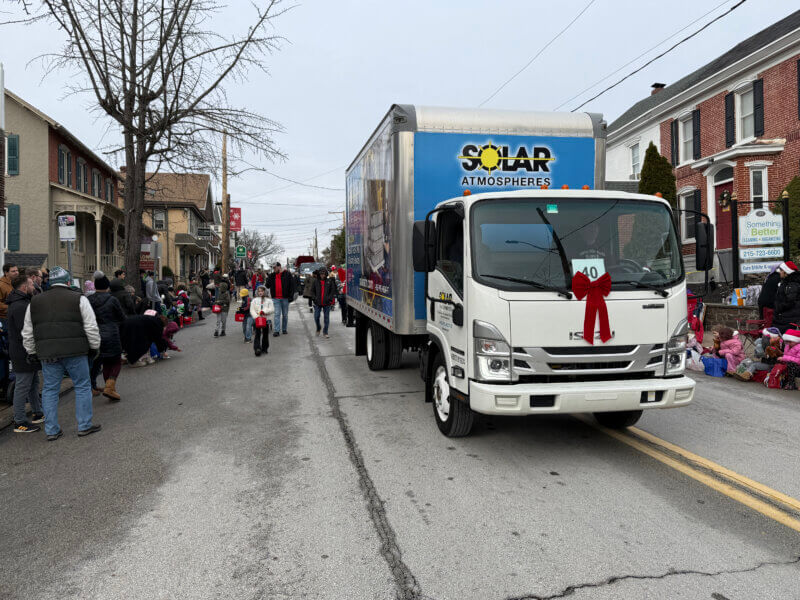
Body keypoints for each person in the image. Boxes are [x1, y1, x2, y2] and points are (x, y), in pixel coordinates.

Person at [22, 266, 101, 440]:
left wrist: (32, 351)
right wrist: (94, 347)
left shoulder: (34, 302)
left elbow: (28, 331)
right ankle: (84, 425)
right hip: (76, 351)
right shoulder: (78, 299)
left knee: (50, 390)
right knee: (82, 386)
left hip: (48, 354)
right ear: (68, 282)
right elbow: (91, 326)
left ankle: (52, 430)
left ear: (50, 282)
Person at [7, 275, 43, 433]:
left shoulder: (21, 303)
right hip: (23, 352)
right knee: (22, 385)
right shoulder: (21, 306)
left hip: (25, 350)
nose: (34, 287)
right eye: (31, 284)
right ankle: (20, 421)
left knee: (33, 383)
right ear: (24, 287)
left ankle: (38, 412)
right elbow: (26, 331)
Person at [88, 276, 125, 401]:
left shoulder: (89, 300)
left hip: (95, 334)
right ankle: (110, 386)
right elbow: (121, 317)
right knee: (115, 361)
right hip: (111, 333)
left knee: (104, 362)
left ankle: (110, 389)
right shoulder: (112, 300)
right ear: (107, 286)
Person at [772, 261, 800, 333]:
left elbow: (790, 301)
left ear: (786, 272)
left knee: (782, 341)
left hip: (788, 319)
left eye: (781, 270)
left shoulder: (792, 284)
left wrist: (779, 308)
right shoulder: (785, 282)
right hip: (783, 318)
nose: (779, 272)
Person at [267, 262, 294, 336]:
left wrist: (291, 296)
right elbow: (267, 285)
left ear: (279, 267)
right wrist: (269, 277)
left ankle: (284, 329)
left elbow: (292, 286)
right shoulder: (272, 275)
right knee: (277, 314)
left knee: (285, 315)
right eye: (273, 268)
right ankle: (277, 330)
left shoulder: (287, 274)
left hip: (285, 298)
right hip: (276, 298)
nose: (274, 269)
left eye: (275, 267)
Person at [312, 267, 338, 338]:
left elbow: (332, 291)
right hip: (318, 303)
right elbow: (312, 291)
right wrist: (314, 299)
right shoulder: (315, 281)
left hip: (327, 303)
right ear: (319, 274)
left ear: (326, 274)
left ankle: (325, 332)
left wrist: (329, 299)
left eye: (323, 274)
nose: (322, 275)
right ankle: (318, 327)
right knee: (316, 317)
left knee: (326, 318)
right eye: (321, 274)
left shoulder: (329, 281)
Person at [250, 285, 273, 356]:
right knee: (257, 334)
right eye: (259, 291)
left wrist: (264, 311)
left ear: (265, 291)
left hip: (266, 319)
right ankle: (257, 348)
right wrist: (256, 316)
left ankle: (265, 348)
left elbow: (272, 309)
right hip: (257, 319)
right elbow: (252, 309)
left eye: (262, 291)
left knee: (265, 334)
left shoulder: (269, 300)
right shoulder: (254, 300)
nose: (260, 293)